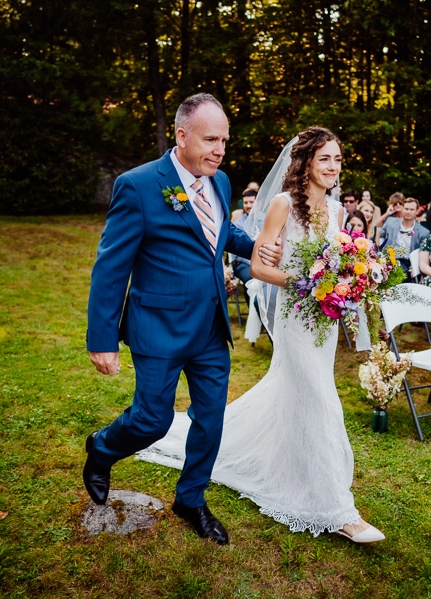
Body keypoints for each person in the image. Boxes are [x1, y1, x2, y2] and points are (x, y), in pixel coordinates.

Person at [138, 127, 386, 544]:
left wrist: (349, 279)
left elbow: (342, 260)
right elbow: (258, 267)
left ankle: (285, 461)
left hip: (323, 320)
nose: (332, 167)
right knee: (321, 398)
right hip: (295, 315)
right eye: (325, 159)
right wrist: (304, 280)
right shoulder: (282, 204)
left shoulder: (339, 212)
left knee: (301, 392)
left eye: (338, 160)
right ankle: (337, 509)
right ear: (306, 161)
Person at [83, 94, 282, 546]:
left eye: (224, 141)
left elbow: (219, 231)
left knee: (211, 420)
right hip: (159, 327)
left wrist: (253, 247)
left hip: (211, 327)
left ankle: (190, 498)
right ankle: (103, 448)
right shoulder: (137, 186)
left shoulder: (222, 181)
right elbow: (111, 267)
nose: (219, 149)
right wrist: (102, 338)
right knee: (152, 420)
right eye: (211, 139)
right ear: (181, 135)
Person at [379, 197, 428, 280]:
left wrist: (415, 267)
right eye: (406, 209)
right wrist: (381, 249)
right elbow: (381, 234)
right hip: (388, 258)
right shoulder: (391, 222)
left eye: (411, 209)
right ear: (402, 209)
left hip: (408, 262)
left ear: (417, 211)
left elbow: (421, 252)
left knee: (402, 272)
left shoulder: (423, 232)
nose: (408, 212)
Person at [230, 188, 258, 284]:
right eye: (246, 203)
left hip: (266, 264)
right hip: (244, 264)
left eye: (251, 202)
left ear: (258, 203)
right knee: (253, 281)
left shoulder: (267, 219)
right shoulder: (237, 224)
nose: (248, 205)